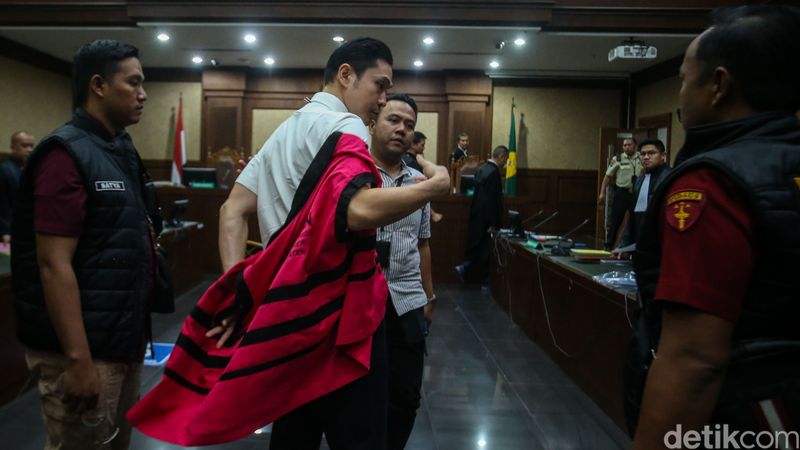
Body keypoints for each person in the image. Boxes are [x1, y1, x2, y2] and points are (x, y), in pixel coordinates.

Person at [127, 37, 450, 449]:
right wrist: (435, 186)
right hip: (337, 311)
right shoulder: (345, 125)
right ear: (346, 75)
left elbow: (231, 212)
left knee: (295, 432)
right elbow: (356, 210)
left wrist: (240, 286)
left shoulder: (285, 130)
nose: (384, 98)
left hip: (286, 313)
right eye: (381, 85)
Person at [627, 5, 800, 449]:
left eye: (685, 79)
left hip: (748, 413)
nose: (681, 95)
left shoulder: (713, 183)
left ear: (718, 85)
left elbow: (695, 359)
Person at [11, 39, 153, 450]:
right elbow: (54, 264)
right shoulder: (65, 154)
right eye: (134, 83)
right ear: (99, 86)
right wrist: (78, 361)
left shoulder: (117, 149)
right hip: (85, 352)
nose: (143, 94)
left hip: (119, 343)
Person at [369, 94, 435, 450]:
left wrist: (430, 296)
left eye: (409, 125)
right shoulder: (355, 175)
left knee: (406, 396)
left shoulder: (419, 184)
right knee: (361, 396)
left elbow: (423, 243)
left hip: (408, 301)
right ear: (374, 122)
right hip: (362, 301)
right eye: (394, 120)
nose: (402, 130)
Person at [454, 145, 509, 287]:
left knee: (478, 246)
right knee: (486, 250)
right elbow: (491, 201)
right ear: (501, 157)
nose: (505, 163)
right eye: (506, 159)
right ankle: (481, 278)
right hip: (487, 219)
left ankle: (466, 268)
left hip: (477, 215)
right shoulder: (493, 174)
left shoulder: (482, 169)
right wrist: (493, 222)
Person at [618, 138, 671, 249]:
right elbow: (633, 216)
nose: (646, 157)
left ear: (663, 156)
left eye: (651, 153)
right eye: (643, 154)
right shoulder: (640, 179)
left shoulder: (670, 177)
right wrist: (624, 245)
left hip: (662, 241)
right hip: (640, 241)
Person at [598, 137, 642, 250]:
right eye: (624, 145)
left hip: (637, 194)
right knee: (615, 221)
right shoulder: (618, 159)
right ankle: (608, 246)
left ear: (635, 145)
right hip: (622, 193)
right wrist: (602, 192)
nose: (627, 147)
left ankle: (631, 248)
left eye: (629, 144)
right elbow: (607, 176)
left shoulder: (641, 157)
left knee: (635, 221)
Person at [0, 131, 35, 243]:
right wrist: (5, 232)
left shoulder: (26, 169)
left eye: (31, 146)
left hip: (24, 229)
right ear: (13, 147)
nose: (29, 150)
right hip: (8, 232)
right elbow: (2, 204)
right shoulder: (4, 170)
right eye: (24, 146)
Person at [403, 131, 443, 222]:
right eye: (422, 145)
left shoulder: (404, 158)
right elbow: (420, 189)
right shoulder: (413, 163)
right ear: (413, 145)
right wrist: (432, 214)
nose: (424, 148)